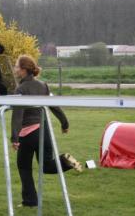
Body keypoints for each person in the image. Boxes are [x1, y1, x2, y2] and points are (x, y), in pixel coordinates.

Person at [11, 55, 82, 207]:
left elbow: (18, 116)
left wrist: (15, 138)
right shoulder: (43, 85)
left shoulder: (20, 89)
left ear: (23, 70)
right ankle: (65, 160)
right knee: (47, 166)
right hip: (44, 132)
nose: (15, 69)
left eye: (17, 66)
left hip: (28, 135)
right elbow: (54, 105)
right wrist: (64, 123)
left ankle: (30, 201)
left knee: (24, 167)